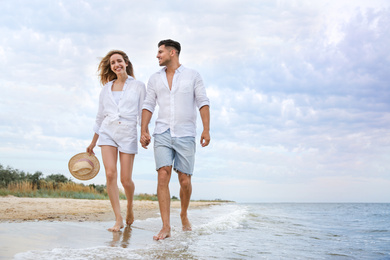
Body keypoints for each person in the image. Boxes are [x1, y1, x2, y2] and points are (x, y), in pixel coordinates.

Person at [140, 39, 210, 240]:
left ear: (173, 52)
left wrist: (206, 129)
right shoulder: (154, 79)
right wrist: (144, 129)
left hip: (186, 133)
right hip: (162, 131)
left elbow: (203, 102)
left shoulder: (193, 75)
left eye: (160, 52)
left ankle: (184, 213)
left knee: (185, 180)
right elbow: (148, 104)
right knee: (163, 175)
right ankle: (166, 226)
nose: (157, 55)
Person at [87, 50, 146, 232]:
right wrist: (93, 142)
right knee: (110, 174)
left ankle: (129, 206)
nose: (116, 65)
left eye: (119, 61)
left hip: (128, 132)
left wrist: (144, 132)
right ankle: (118, 218)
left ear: (126, 63)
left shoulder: (138, 86)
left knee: (125, 179)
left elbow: (143, 111)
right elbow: (100, 117)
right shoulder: (106, 89)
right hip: (107, 132)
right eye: (113, 63)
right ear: (110, 67)